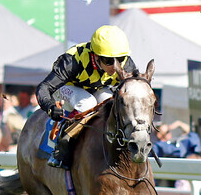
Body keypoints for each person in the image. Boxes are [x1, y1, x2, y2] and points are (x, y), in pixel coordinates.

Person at [35, 25, 138, 169]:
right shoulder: (72, 61)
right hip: (66, 88)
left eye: (120, 59)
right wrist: (50, 107)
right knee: (87, 103)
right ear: (95, 56)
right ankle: (63, 144)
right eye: (109, 61)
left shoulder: (126, 64)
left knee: (108, 101)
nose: (115, 67)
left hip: (95, 88)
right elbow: (43, 88)